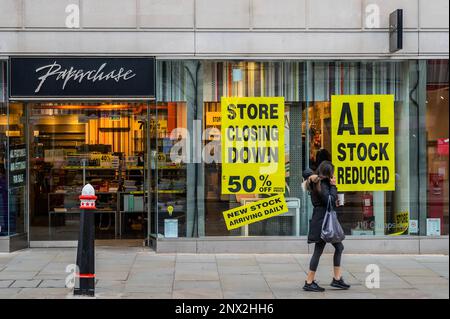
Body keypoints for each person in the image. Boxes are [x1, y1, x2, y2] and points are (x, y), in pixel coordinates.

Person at [302, 160, 350, 292]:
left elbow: (306, 172)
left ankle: (336, 279)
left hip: (322, 219)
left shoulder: (317, 181)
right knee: (320, 251)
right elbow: (329, 200)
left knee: (338, 247)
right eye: (332, 173)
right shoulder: (322, 184)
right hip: (323, 222)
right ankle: (309, 282)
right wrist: (334, 186)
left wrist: (312, 176)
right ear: (328, 173)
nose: (333, 176)